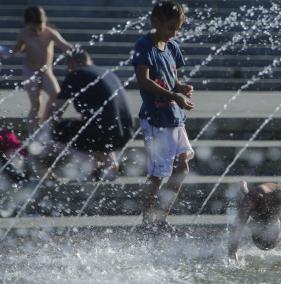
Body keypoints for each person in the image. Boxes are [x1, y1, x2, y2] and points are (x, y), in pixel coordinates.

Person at [132, 0, 195, 228]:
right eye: (171, 28)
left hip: (174, 117)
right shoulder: (144, 45)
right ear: (155, 22)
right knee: (158, 174)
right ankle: (148, 220)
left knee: (182, 167)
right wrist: (174, 95)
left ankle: (161, 216)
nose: (175, 33)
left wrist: (181, 88)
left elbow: (172, 79)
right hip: (155, 119)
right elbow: (143, 81)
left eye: (178, 28)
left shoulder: (172, 48)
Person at [51, 49, 134, 180]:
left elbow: (56, 110)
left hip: (102, 131)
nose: (68, 69)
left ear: (72, 63)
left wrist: (46, 127)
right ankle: (110, 164)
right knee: (98, 126)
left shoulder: (76, 74)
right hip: (125, 131)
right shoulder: (106, 72)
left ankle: (91, 163)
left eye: (68, 65)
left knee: (58, 131)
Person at [10, 6, 73, 128]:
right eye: (32, 28)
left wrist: (75, 51)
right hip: (30, 71)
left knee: (57, 95)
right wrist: (7, 52)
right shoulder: (24, 33)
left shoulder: (50, 33)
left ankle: (46, 120)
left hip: (46, 71)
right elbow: (16, 49)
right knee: (36, 104)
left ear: (44, 21)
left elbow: (64, 45)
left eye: (39, 27)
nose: (36, 31)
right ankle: (31, 131)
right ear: (27, 24)